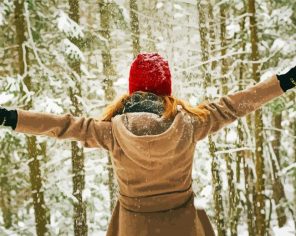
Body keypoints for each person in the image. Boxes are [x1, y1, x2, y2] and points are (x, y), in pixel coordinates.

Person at [0, 52, 295, 236]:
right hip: (182, 228)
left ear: (132, 90)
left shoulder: (111, 131)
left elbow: (62, 125)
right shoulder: (190, 124)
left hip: (133, 229)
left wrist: (12, 117)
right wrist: (283, 81)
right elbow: (233, 106)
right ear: (166, 90)